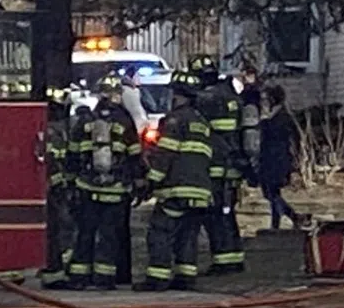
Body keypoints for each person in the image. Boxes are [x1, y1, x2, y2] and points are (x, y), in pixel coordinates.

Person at [139, 67, 214, 290]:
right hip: (201, 191)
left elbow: (165, 156)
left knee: (160, 232)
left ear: (178, 95)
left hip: (177, 190)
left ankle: (158, 278)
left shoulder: (174, 121)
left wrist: (151, 180)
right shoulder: (202, 123)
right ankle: (185, 277)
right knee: (187, 235)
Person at [65, 74, 141, 290]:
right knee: (109, 236)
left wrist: (71, 184)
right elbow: (134, 155)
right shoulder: (125, 122)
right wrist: (138, 182)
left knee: (85, 234)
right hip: (115, 191)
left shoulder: (86, 121)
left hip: (87, 188)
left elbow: (72, 155)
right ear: (117, 95)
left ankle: (80, 277)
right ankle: (105, 278)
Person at [194, 58, 247, 274]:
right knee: (227, 213)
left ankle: (223, 261)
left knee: (214, 215)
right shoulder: (232, 97)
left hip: (214, 168)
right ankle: (235, 257)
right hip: (233, 167)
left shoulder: (205, 98)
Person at [41, 85, 78, 287]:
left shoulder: (58, 130)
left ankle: (57, 268)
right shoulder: (53, 131)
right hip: (53, 189)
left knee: (60, 229)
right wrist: (60, 184)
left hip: (57, 187)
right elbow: (51, 160)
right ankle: (54, 271)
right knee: (58, 229)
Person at [256, 84, 300, 232]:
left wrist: (263, 123)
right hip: (273, 159)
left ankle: (292, 216)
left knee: (271, 192)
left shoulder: (280, 118)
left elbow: (276, 137)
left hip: (276, 159)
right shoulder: (278, 116)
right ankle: (278, 222)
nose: (264, 103)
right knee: (272, 192)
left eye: (266, 99)